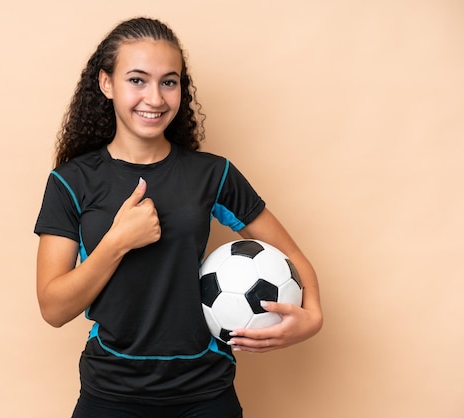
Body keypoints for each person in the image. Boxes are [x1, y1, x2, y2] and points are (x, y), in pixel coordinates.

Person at [34, 17, 323, 418]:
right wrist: (117, 242)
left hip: (204, 394)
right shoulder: (71, 182)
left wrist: (312, 320)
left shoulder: (212, 174)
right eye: (137, 80)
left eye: (168, 82)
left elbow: (292, 255)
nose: (154, 98)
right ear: (106, 84)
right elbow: (53, 308)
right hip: (110, 393)